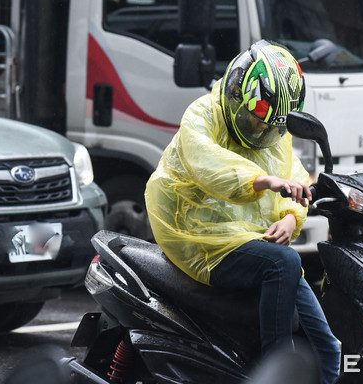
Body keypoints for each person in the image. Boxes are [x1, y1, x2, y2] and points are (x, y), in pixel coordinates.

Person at [144, 39, 340, 384]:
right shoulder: (203, 114)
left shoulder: (273, 129)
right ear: (237, 95)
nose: (263, 132)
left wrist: (291, 217)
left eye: (272, 126)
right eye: (256, 122)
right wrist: (264, 181)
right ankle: (274, 372)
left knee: (327, 344)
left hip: (244, 235)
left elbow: (292, 173)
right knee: (284, 262)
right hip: (195, 233)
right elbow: (209, 164)